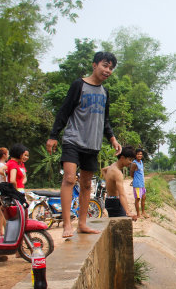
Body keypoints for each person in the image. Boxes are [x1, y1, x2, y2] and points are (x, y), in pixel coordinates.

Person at [46, 51, 123, 238]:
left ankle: (82, 223)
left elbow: (105, 120)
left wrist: (112, 138)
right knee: (70, 179)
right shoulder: (79, 85)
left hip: (92, 144)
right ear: (94, 65)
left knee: (87, 184)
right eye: (105, 65)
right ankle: (66, 225)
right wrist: (53, 135)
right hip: (73, 139)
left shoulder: (105, 92)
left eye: (111, 68)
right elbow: (64, 110)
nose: (108, 70)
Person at [102, 146, 137, 220]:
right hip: (115, 202)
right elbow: (122, 194)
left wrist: (108, 181)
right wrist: (128, 212)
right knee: (121, 226)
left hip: (108, 200)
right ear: (122, 158)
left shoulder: (112, 166)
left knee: (114, 225)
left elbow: (103, 170)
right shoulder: (118, 173)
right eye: (129, 159)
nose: (131, 162)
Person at [0, 147, 9, 241]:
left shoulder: (2, 164)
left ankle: (4, 230)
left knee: (4, 210)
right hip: (2, 188)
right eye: (7, 153)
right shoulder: (1, 165)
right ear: (4, 155)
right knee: (2, 210)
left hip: (3, 187)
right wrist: (6, 176)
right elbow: (1, 173)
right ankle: (1, 232)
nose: (8, 155)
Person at [130, 148, 148, 218]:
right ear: (135, 155)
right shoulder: (134, 163)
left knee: (144, 197)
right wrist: (135, 179)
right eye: (138, 154)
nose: (139, 155)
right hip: (137, 184)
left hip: (142, 184)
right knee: (137, 199)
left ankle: (143, 212)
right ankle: (138, 214)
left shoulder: (141, 162)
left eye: (141, 154)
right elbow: (131, 174)